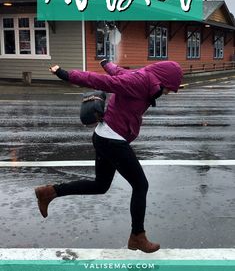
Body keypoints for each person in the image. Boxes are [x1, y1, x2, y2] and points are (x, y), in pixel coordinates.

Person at [35, 60, 183, 253]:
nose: (168, 92)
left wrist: (107, 62)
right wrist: (65, 74)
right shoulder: (138, 82)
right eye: (169, 88)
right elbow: (100, 80)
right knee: (141, 185)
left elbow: (117, 71)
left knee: (100, 185)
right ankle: (137, 236)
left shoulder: (144, 80)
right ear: (163, 80)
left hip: (105, 136)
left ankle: (49, 192)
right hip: (112, 140)